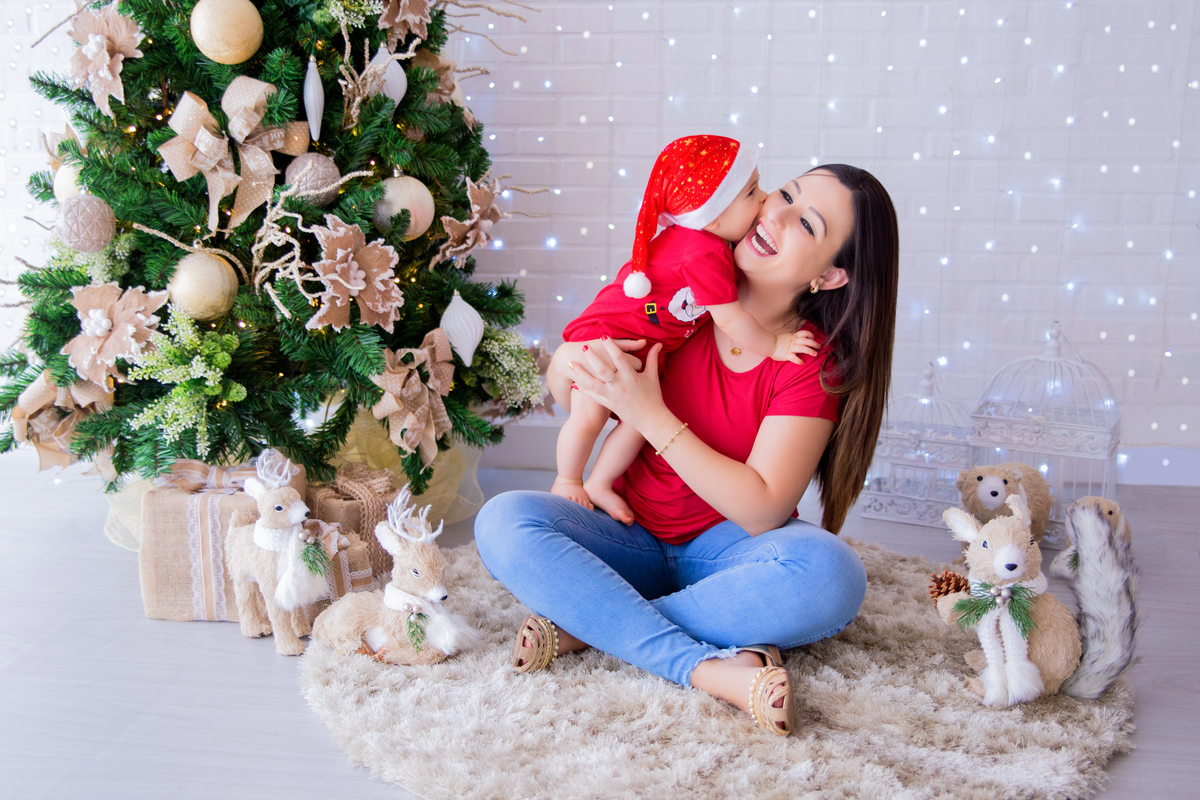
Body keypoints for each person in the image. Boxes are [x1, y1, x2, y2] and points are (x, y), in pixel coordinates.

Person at [474, 164, 899, 736]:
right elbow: (572, 380)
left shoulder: (808, 361)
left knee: (831, 574)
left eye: (807, 224)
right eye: (786, 193)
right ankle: (705, 666)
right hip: (625, 532)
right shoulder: (684, 289)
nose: (776, 214)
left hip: (727, 552)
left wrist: (651, 415)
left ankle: (592, 624)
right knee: (503, 520)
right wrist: (572, 363)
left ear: (830, 275)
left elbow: (762, 509)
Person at [551, 135, 817, 523]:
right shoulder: (705, 252)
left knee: (638, 428)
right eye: (751, 192)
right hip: (610, 341)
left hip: (643, 352)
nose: (764, 200)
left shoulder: (713, 247)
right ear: (713, 216)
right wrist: (775, 345)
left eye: (758, 187)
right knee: (588, 418)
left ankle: (600, 482)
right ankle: (568, 478)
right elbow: (730, 319)